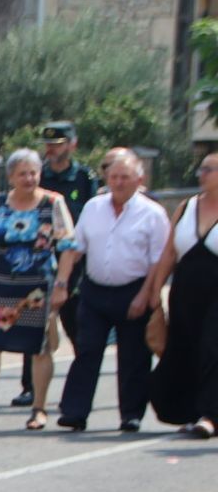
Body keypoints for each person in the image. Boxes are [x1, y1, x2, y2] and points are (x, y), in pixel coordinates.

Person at [0, 149, 76, 432]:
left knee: (39, 348)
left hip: (38, 289)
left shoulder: (52, 203)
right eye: (22, 173)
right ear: (10, 176)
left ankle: (39, 408)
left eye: (33, 172)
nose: (28, 178)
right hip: (0, 287)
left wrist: (61, 284)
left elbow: (68, 247)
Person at [54, 149, 169, 433]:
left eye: (125, 177)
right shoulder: (93, 207)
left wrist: (145, 295)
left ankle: (131, 414)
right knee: (87, 349)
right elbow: (76, 247)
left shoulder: (152, 213)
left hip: (133, 289)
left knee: (133, 355)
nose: (118, 182)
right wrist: (61, 281)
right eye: (114, 176)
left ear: (139, 179)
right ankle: (74, 412)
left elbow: (158, 259)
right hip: (94, 290)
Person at [13, 120, 96, 405]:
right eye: (48, 144)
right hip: (38, 266)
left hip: (72, 265)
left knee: (78, 330)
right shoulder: (39, 177)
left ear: (72, 145)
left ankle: (78, 391)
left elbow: (90, 219)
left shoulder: (84, 178)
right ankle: (30, 388)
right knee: (33, 327)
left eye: (58, 144)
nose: (52, 150)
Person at [148, 152, 218, 438]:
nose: (202, 174)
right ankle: (191, 410)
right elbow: (169, 254)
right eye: (201, 169)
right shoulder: (187, 207)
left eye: (209, 169)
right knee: (186, 347)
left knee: (213, 348)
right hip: (186, 293)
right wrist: (155, 293)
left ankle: (211, 415)